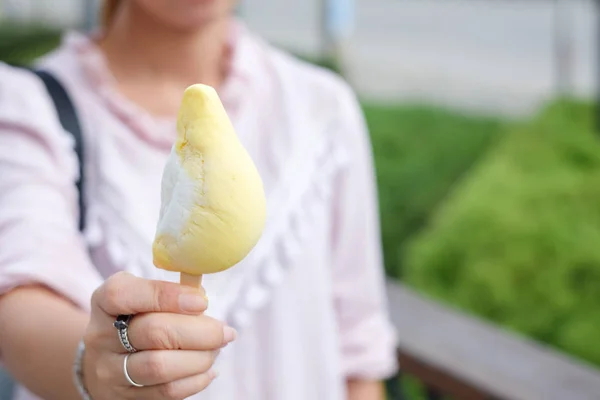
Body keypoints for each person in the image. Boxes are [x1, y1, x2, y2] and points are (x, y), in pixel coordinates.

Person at [0, 0, 398, 399]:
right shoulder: (25, 106)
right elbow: (18, 298)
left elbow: (358, 350)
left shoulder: (321, 108)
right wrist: (96, 364)